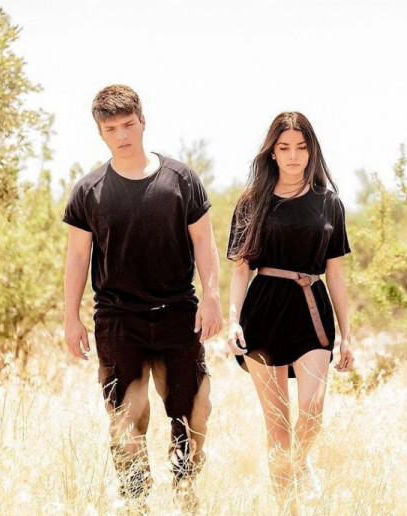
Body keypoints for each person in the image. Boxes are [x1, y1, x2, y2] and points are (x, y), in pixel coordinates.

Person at [63, 85, 221, 512]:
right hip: (117, 320)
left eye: (128, 125)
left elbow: (204, 242)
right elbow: (77, 256)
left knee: (192, 412)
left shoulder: (181, 179)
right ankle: (137, 504)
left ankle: (186, 494)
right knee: (126, 418)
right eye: (111, 129)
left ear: (143, 121)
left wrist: (212, 297)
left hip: (178, 314)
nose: (122, 135)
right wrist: (71, 318)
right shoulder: (88, 190)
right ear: (100, 133)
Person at [226, 112, 354, 509]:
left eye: (301, 147)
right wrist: (233, 322)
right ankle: (287, 506)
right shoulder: (251, 203)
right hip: (263, 311)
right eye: (284, 148)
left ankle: (300, 465)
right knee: (278, 425)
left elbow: (336, 274)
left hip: (312, 310)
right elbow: (241, 270)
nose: (294, 155)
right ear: (272, 152)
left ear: (312, 151)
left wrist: (348, 336)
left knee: (313, 410)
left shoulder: (329, 203)